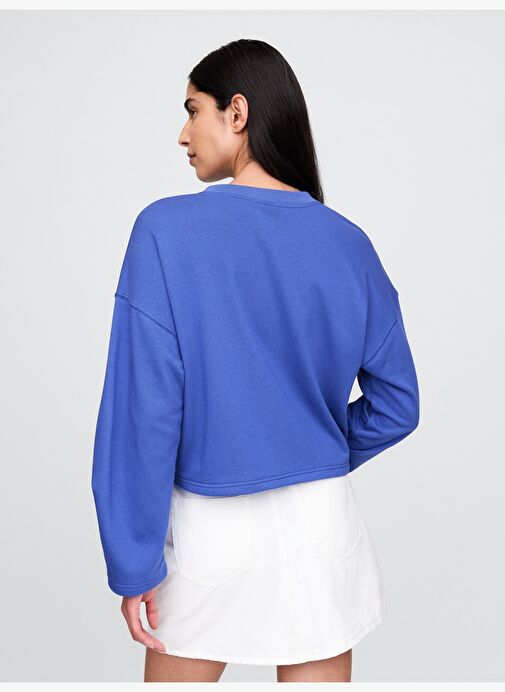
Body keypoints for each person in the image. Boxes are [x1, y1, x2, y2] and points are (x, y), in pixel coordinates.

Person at [91, 38, 420, 683]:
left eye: (193, 110)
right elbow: (398, 405)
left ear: (236, 113)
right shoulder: (347, 243)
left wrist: (132, 560)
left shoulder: (164, 232)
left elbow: (142, 413)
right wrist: (314, 445)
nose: (183, 134)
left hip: (209, 530)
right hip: (322, 526)